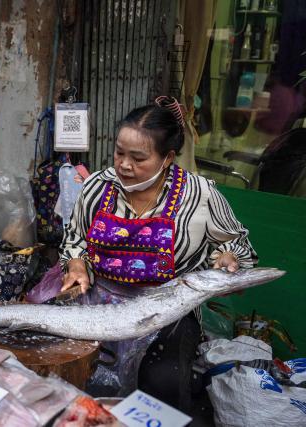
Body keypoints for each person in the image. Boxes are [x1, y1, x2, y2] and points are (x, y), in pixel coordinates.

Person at [59, 96, 258, 411]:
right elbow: (75, 237)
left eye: (138, 158)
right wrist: (76, 265)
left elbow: (236, 246)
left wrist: (226, 259)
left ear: (167, 158)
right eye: (119, 153)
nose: (124, 165)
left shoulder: (199, 195)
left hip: (167, 312)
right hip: (100, 305)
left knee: (161, 384)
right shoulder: (98, 186)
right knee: (76, 379)